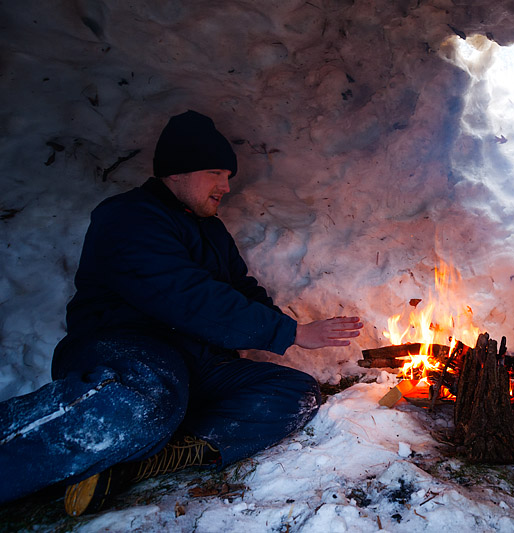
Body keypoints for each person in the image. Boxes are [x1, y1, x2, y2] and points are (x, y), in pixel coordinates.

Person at [0, 110, 363, 516]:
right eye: (215, 173)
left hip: (195, 360)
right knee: (152, 393)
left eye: (227, 175)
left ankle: (143, 459)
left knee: (293, 393)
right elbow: (185, 296)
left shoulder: (210, 229)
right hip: (127, 349)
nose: (226, 186)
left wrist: (280, 325)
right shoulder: (127, 217)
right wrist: (290, 333)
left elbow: (239, 288)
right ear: (176, 172)